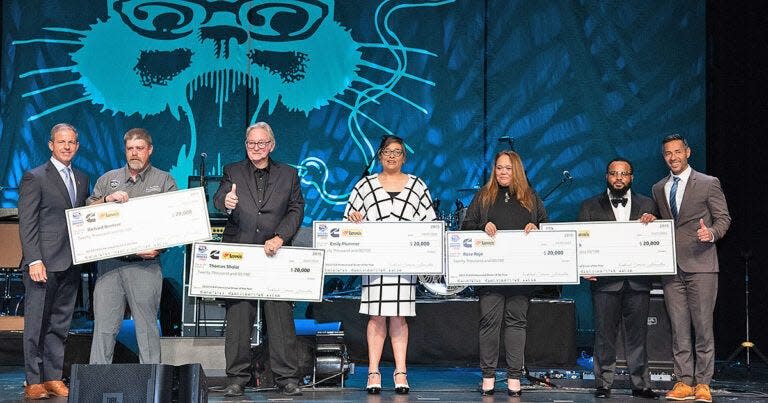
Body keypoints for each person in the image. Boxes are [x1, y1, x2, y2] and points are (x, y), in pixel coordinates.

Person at [212, 122, 305, 397]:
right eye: (251, 143)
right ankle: (236, 379)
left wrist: (280, 237)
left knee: (280, 318)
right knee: (239, 319)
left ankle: (287, 378)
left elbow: (296, 209)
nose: (256, 148)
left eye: (261, 143)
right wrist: (225, 201)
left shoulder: (289, 174)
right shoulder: (233, 170)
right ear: (246, 144)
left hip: (274, 253)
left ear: (271, 145)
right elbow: (220, 197)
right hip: (240, 254)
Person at [345, 135, 436, 395]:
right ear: (380, 155)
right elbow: (348, 220)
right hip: (374, 263)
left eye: (397, 152)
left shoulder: (418, 186)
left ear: (404, 157)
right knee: (376, 317)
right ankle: (373, 371)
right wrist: (354, 218)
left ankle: (400, 371)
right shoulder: (365, 185)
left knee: (399, 316)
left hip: (404, 263)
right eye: (387, 151)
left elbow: (430, 223)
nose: (392, 156)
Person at [642, 134, 730, 403]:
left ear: (688, 152)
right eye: (668, 153)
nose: (673, 157)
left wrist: (712, 234)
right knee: (678, 328)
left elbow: (723, 218)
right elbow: (666, 222)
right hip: (671, 268)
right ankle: (683, 380)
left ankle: (703, 383)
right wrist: (651, 218)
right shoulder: (659, 187)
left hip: (702, 265)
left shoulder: (707, 183)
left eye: (677, 151)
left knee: (703, 327)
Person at [86, 128, 177, 365]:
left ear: (150, 150)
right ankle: (96, 384)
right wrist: (107, 200)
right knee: (104, 329)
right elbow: (87, 213)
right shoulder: (108, 180)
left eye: (139, 148)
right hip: (109, 265)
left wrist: (160, 248)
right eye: (130, 149)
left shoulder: (164, 180)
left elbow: (175, 221)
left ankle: (152, 385)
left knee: (147, 329)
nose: (134, 153)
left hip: (145, 266)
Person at [461, 150, 547, 397]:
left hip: (521, 274)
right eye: (499, 168)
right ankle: (488, 377)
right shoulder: (484, 196)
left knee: (517, 322)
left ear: (517, 170)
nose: (502, 172)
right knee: (489, 323)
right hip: (490, 273)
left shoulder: (530, 197)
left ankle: (514, 378)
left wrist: (536, 227)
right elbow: (466, 226)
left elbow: (546, 225)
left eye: (508, 168)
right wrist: (481, 226)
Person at [18, 123, 90, 399]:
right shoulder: (35, 177)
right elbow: (27, 223)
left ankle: (52, 377)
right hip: (43, 265)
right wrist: (34, 260)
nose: (66, 147)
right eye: (61, 142)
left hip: (71, 262)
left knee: (60, 325)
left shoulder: (82, 178)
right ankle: (33, 379)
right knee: (36, 324)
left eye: (71, 142)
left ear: (77, 145)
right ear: (51, 145)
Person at [578, 158, 658, 399]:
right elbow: (580, 242)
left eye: (624, 173)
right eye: (614, 173)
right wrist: (583, 266)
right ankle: (603, 383)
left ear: (632, 177)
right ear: (607, 177)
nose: (619, 178)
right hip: (604, 282)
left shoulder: (649, 205)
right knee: (604, 335)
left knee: (638, 336)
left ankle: (641, 384)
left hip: (638, 281)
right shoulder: (589, 206)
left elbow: (658, 240)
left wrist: (654, 225)